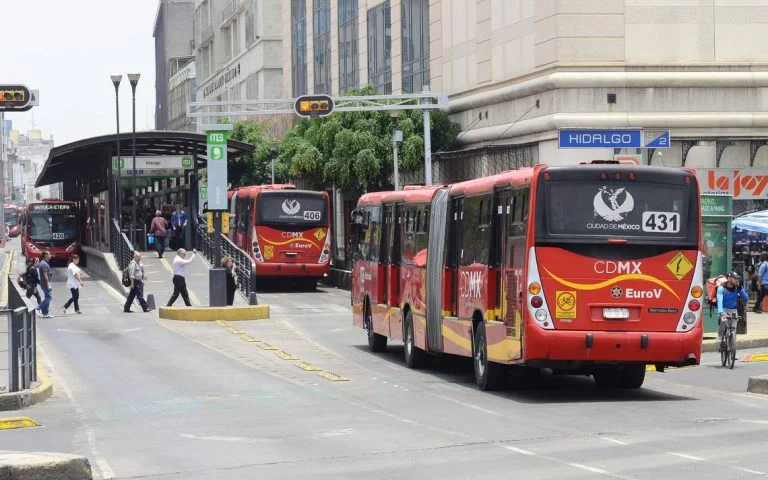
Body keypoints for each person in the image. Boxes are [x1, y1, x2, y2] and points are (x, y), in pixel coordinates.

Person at [716, 271, 749, 346]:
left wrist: (740, 289)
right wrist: (721, 312)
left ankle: (733, 351)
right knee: (723, 322)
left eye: (737, 278)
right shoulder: (721, 288)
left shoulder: (737, 288)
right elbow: (719, 301)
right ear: (729, 279)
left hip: (734, 310)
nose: (737, 280)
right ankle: (720, 338)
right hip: (724, 309)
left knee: (733, 330)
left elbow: (746, 298)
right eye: (735, 278)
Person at [38, 251, 53, 318]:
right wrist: (48, 284)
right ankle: (39, 307)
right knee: (49, 297)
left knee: (47, 297)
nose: (51, 255)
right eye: (49, 254)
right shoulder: (44, 264)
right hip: (45, 284)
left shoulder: (44, 263)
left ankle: (45, 313)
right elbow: (45, 275)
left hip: (44, 283)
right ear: (45, 255)